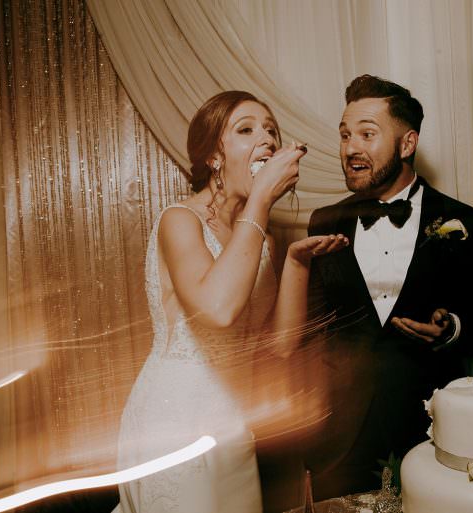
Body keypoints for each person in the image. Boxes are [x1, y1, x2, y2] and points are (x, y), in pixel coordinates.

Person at [113, 91, 348, 513]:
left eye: (272, 131)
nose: (267, 140)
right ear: (215, 158)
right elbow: (218, 311)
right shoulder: (178, 221)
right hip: (174, 422)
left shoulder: (260, 239)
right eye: (246, 130)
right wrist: (260, 200)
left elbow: (279, 344)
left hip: (232, 425)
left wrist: (296, 263)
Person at [305, 75, 473, 498]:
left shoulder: (467, 223)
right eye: (345, 135)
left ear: (407, 144)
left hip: (433, 437)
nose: (350, 148)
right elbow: (308, 329)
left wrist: (452, 329)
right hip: (341, 441)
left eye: (367, 134)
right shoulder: (323, 222)